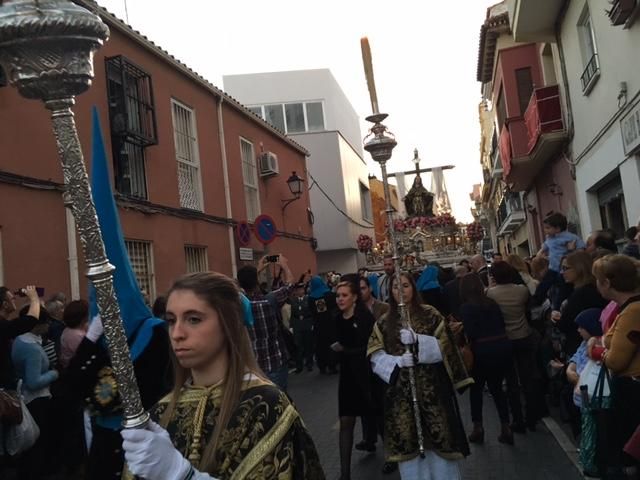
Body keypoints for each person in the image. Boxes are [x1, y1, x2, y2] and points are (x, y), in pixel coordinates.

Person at [121, 271, 325, 480]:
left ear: (229, 324)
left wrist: (182, 474)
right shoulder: (160, 413)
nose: (177, 333)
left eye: (193, 319)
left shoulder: (265, 406)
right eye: (171, 320)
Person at [368, 272, 471, 480]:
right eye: (396, 287)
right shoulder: (383, 322)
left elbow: (447, 346)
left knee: (440, 445)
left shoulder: (430, 314)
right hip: (401, 397)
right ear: (391, 291)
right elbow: (374, 355)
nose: (401, 291)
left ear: (413, 288)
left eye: (405, 285)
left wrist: (421, 342)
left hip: (433, 392)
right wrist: (396, 363)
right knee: (410, 449)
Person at [589, 255, 640, 478]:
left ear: (607, 283)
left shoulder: (632, 311)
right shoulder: (628, 308)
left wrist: (595, 349)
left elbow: (616, 360)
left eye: (597, 280)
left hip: (632, 389)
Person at [487, 261, 543, 432]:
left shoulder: (491, 293)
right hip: (523, 335)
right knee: (527, 377)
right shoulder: (522, 290)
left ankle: (517, 419)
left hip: (505, 339)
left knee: (511, 381)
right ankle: (532, 417)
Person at [459, 273, 514, 445]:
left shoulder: (467, 308)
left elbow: (471, 332)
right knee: (497, 389)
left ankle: (478, 428)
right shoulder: (492, 303)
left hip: (481, 351)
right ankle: (506, 426)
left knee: (476, 390)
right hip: (501, 347)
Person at [330, 280, 376, 480]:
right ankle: (345, 473)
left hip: (367, 376)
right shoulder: (337, 318)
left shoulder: (365, 317)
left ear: (355, 297)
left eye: (344, 295)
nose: (340, 299)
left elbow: (371, 347)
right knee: (346, 422)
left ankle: (393, 459)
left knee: (378, 418)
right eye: (338, 295)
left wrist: (345, 350)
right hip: (348, 377)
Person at [11, 303, 58, 480]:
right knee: (37, 445)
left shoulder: (19, 340)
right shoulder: (31, 347)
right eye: (46, 322)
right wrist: (54, 373)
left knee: (32, 446)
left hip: (26, 397)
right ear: (38, 325)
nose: (49, 326)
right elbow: (34, 381)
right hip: (37, 399)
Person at [238, 255, 294, 391]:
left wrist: (257, 270)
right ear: (257, 282)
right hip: (276, 362)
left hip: (253, 367)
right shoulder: (270, 300)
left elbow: (234, 287)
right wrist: (284, 265)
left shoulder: (238, 304)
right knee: (280, 400)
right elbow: (290, 285)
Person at [553, 251, 607, 357]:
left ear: (579, 268)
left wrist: (557, 319)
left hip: (581, 346)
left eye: (566, 268)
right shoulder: (579, 289)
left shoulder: (581, 294)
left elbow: (566, 323)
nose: (562, 272)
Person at [0, 286, 39, 390]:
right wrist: (34, 298)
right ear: (5, 304)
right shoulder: (2, 326)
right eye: (12, 299)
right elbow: (30, 320)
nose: (15, 300)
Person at [308, 275, 339, 374]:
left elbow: (311, 312)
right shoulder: (329, 294)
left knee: (320, 346)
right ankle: (332, 366)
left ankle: (322, 366)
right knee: (331, 344)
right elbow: (335, 306)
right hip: (330, 324)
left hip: (318, 325)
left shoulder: (310, 298)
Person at [289, 283, 314, 373]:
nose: (300, 291)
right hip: (297, 325)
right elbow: (292, 314)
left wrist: (312, 323)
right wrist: (291, 326)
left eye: (301, 289)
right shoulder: (293, 300)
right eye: (298, 290)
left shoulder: (308, 299)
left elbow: (312, 312)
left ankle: (309, 364)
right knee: (298, 346)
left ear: (304, 290)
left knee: (308, 345)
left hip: (307, 323)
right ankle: (299, 366)